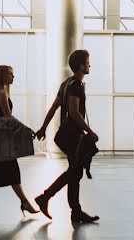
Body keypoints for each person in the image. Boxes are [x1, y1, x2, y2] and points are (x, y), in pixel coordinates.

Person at [33, 50, 100, 224]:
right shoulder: (76, 85)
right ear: (80, 66)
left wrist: (43, 128)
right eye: (87, 62)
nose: (89, 65)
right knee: (74, 172)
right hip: (73, 137)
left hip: (64, 136)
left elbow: (55, 107)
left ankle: (75, 211)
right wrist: (90, 132)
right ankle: (45, 197)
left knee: (75, 172)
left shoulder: (65, 84)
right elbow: (74, 112)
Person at [0, 66, 38, 219]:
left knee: (2, 172)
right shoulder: (2, 93)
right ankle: (23, 203)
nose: (13, 77)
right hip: (2, 143)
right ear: (3, 76)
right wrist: (26, 129)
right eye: (11, 74)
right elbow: (8, 118)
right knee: (5, 172)